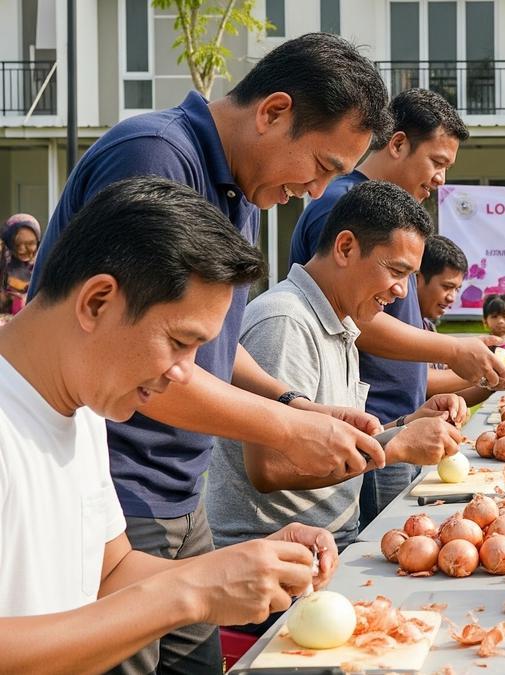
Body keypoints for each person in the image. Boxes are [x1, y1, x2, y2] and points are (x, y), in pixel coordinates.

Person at [26, 33, 395, 675]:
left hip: (168, 493)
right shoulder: (157, 156)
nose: (314, 192)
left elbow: (197, 352)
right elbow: (142, 356)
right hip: (126, 483)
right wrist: (286, 430)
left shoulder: (241, 188)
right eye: (324, 165)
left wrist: (295, 404)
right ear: (273, 112)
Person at [0, 176, 339, 673]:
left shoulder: (87, 406)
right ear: (97, 302)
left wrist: (234, 567)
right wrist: (190, 592)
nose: (185, 372)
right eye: (180, 342)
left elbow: (109, 569)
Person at [288, 89, 505, 524]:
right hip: (368, 425)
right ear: (396, 144)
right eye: (437, 163)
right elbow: (355, 322)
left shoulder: (398, 221)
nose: (441, 181)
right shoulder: (345, 206)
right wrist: (452, 350)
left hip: (403, 420)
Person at [209, 182, 465, 556]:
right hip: (273, 561)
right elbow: (270, 467)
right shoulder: (286, 321)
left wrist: (405, 425)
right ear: (345, 247)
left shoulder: (341, 321)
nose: (402, 292)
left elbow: (329, 436)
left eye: (408, 277)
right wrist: (394, 448)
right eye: (396, 271)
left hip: (324, 546)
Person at [418, 236, 501, 406]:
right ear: (418, 278)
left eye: (457, 289)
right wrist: (486, 372)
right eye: (446, 287)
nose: (452, 298)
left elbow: (450, 393)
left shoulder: (428, 326)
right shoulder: (402, 323)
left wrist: (495, 383)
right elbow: (424, 382)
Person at [1, 214, 40, 314]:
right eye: (17, 243)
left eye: (30, 243)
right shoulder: (3, 265)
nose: (22, 249)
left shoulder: (42, 266)